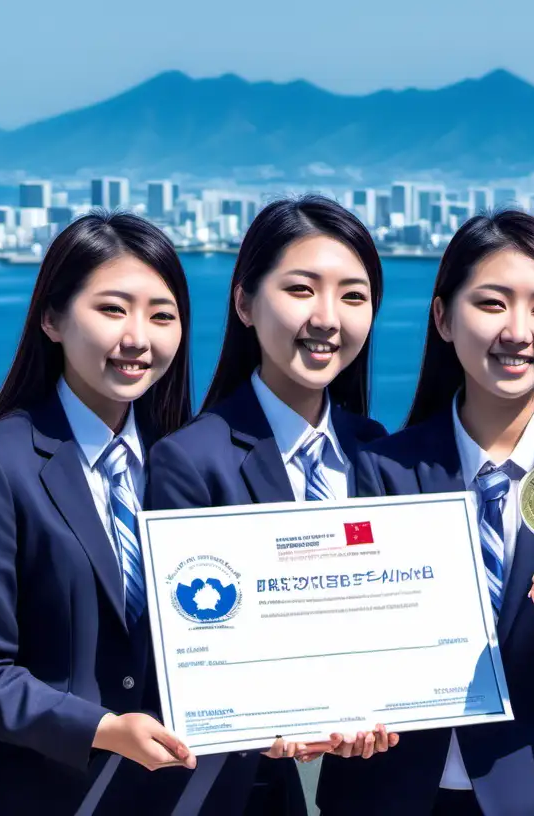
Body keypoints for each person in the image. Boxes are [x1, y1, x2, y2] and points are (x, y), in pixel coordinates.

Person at [315, 210, 534, 815]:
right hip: (388, 794)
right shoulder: (382, 467)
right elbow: (343, 631)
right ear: (443, 317)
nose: (518, 331)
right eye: (492, 303)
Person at [0, 212, 199, 815]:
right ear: (51, 318)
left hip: (178, 797)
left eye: (162, 315)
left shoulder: (188, 461)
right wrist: (103, 729)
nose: (139, 338)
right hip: (37, 797)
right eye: (112, 309)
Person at [145, 195, 396, 814]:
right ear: (244, 303)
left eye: (353, 296)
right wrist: (264, 721)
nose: (328, 318)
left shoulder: (376, 449)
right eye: (302, 290)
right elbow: (187, 645)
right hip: (235, 792)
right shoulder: (189, 459)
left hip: (356, 786)